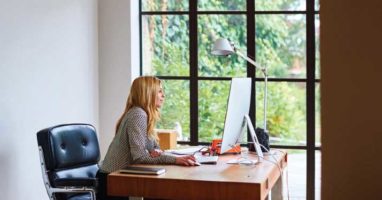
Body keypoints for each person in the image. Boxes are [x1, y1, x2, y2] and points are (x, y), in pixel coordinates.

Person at [97, 76, 197, 200]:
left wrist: (156, 153)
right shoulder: (138, 115)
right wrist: (176, 160)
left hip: (122, 178)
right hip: (113, 181)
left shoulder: (143, 114)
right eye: (159, 91)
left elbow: (154, 148)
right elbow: (139, 157)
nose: (163, 95)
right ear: (148, 93)